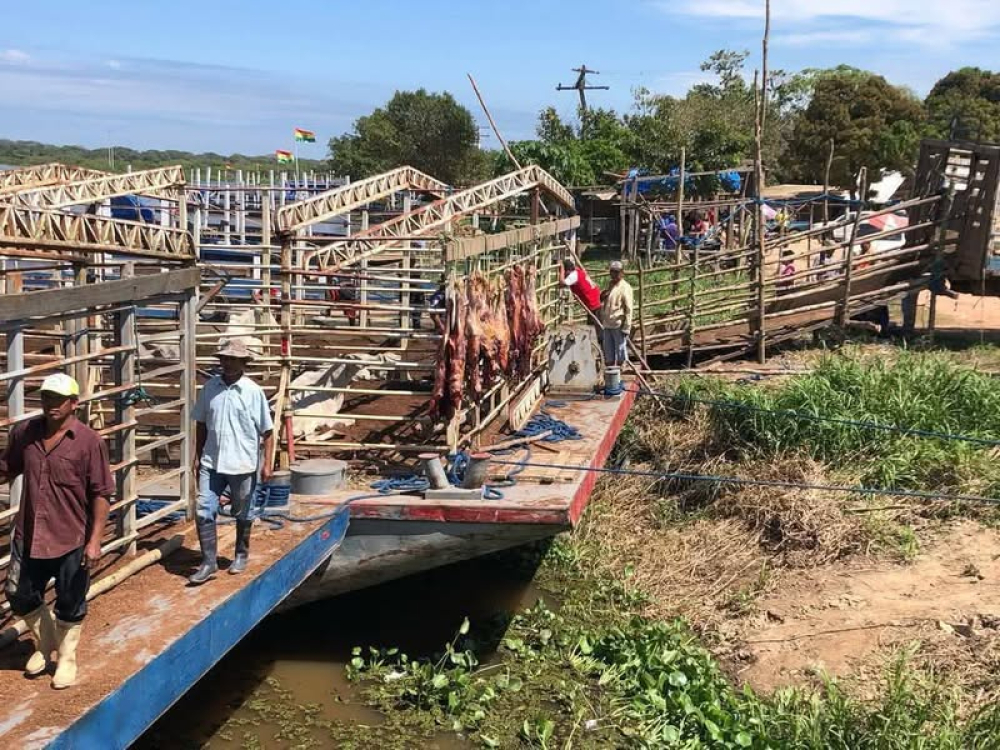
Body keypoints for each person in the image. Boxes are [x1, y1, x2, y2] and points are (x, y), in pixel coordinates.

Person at [0, 373, 113, 689]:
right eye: (47, 397)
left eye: (59, 399)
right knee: (18, 593)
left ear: (74, 403)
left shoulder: (89, 442)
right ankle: (46, 640)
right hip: (29, 532)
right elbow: (7, 468)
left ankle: (66, 658)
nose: (51, 404)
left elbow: (101, 493)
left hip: (71, 536)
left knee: (70, 600)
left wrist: (95, 541)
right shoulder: (25, 433)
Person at [189, 339, 274, 585]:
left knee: (243, 511)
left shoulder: (252, 391)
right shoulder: (209, 388)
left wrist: (267, 463)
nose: (228, 363)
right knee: (204, 508)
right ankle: (208, 562)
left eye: (233, 359)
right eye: (225, 359)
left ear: (243, 363)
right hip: (212, 461)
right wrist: (197, 455)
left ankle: (241, 554)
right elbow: (201, 424)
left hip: (242, 463)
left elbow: (267, 431)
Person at [600, 261, 634, 367]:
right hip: (607, 323)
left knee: (620, 351)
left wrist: (627, 327)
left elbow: (629, 309)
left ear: (622, 273)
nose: (614, 274)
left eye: (616, 272)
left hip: (618, 323)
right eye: (612, 272)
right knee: (608, 351)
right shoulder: (610, 285)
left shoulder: (625, 287)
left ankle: (621, 371)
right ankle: (611, 371)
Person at [561, 258, 603, 338]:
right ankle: (596, 340)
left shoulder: (573, 276)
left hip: (592, 301)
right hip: (594, 298)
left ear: (567, 271)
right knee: (594, 325)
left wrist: (561, 270)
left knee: (596, 327)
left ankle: (599, 341)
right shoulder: (578, 271)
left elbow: (562, 284)